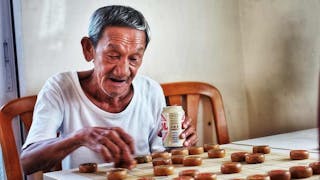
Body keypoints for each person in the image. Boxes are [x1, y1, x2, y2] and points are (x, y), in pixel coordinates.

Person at [20, 5, 198, 174]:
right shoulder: (60, 87)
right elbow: (27, 163)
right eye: (113, 56)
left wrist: (179, 143)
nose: (122, 71)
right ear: (89, 49)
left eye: (134, 58)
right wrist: (79, 138)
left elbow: (161, 158)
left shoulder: (151, 90)